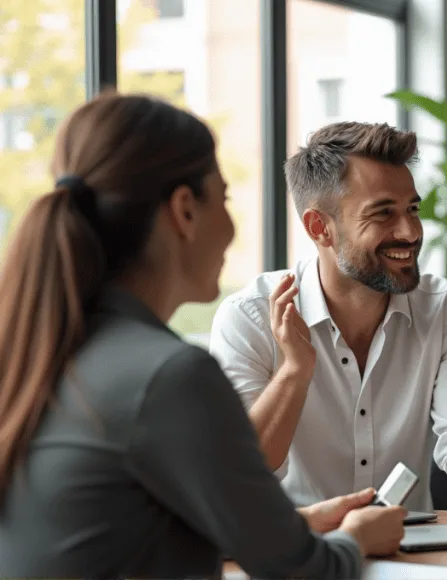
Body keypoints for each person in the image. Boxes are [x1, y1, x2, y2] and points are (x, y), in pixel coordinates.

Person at [0, 93, 406, 578]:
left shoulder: (44, 350)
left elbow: (129, 525)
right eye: (226, 198)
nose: (233, 226)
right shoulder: (170, 376)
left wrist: (300, 523)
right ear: (185, 211)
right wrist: (357, 536)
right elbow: (305, 572)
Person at [209, 121, 447, 513]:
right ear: (319, 227)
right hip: (294, 558)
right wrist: (295, 371)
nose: (409, 232)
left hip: (414, 559)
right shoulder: (250, 318)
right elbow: (238, 483)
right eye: (383, 214)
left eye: (412, 209)